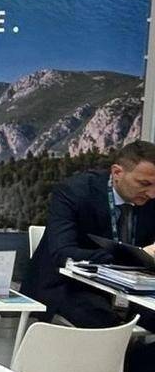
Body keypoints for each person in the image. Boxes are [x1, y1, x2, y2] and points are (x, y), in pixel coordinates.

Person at [23, 140, 155, 328]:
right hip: (69, 285)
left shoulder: (150, 199)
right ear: (117, 173)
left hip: (133, 290)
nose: (152, 193)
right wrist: (126, 256)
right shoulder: (74, 192)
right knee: (103, 320)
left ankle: (134, 349)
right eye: (144, 184)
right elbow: (63, 252)